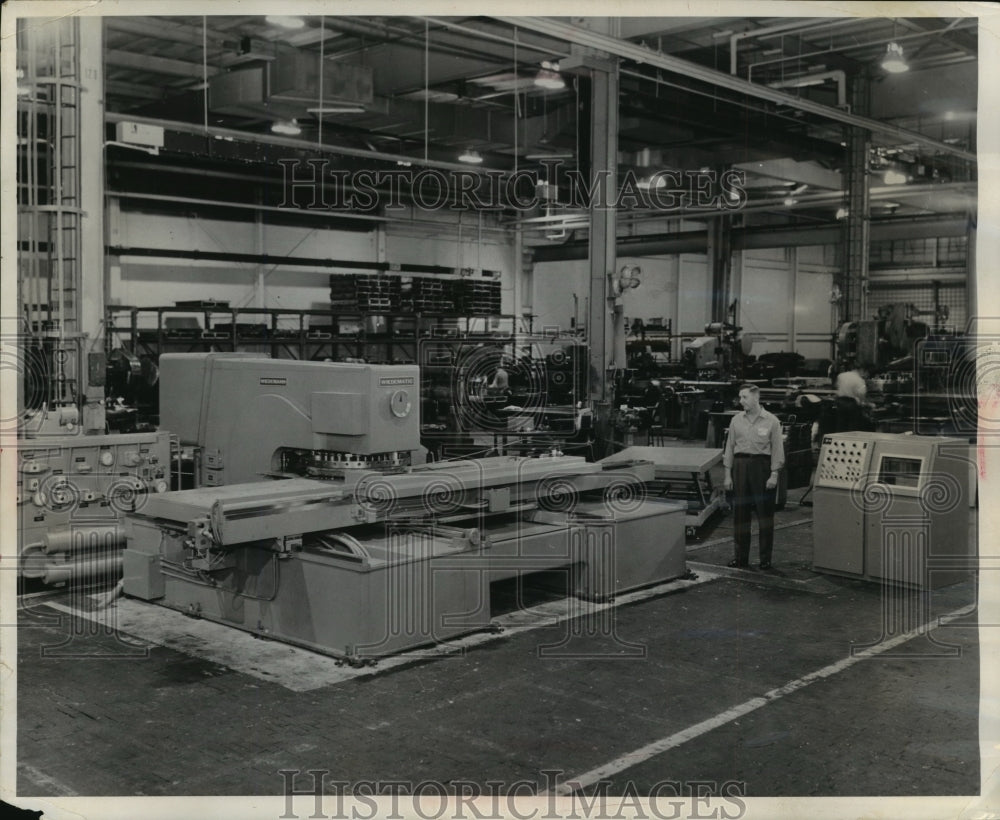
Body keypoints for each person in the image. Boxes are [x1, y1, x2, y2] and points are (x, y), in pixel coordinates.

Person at [723, 384, 785, 570]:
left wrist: (774, 474)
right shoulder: (736, 420)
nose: (741, 401)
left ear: (756, 398)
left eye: (744, 397)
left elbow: (777, 451)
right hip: (740, 467)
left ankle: (765, 559)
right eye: (740, 397)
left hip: (762, 468)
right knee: (740, 516)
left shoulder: (772, 421)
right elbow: (729, 448)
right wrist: (728, 475)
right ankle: (740, 558)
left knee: (765, 515)